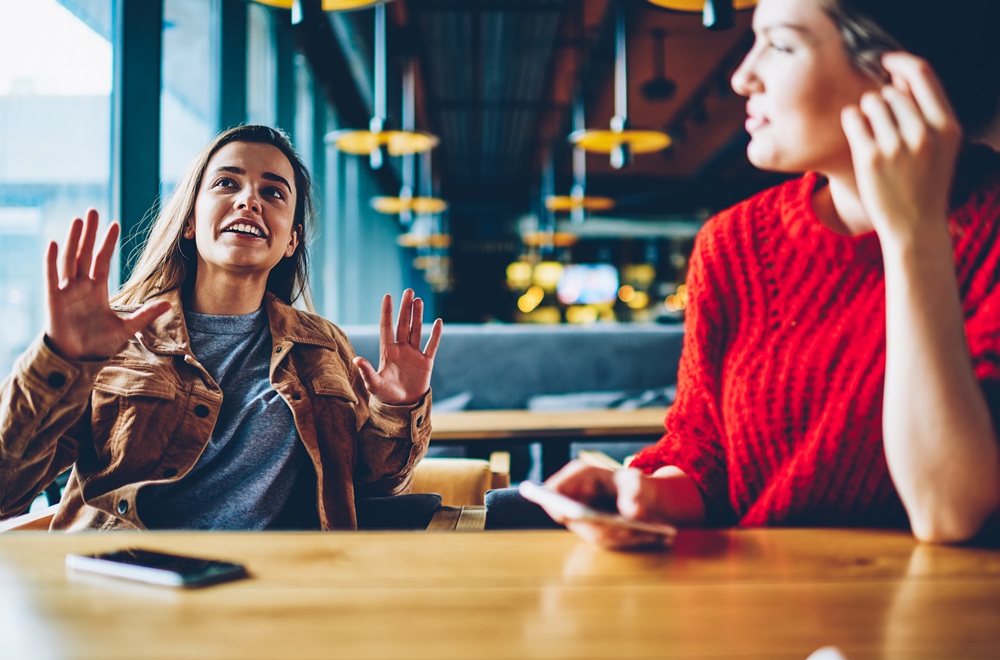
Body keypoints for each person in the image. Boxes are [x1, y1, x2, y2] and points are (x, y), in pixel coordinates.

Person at [536, 0, 1000, 548]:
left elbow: (950, 511)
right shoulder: (734, 243)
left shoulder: (986, 228)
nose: (741, 76)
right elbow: (706, 454)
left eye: (780, 45)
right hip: (762, 608)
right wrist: (648, 494)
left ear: (898, 77)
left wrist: (912, 235)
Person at [0, 124, 442, 531]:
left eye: (273, 192)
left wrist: (397, 411)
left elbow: (369, 490)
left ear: (292, 240)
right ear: (190, 221)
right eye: (227, 183)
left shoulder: (323, 347)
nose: (249, 200)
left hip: (276, 596)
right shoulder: (115, 337)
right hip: (120, 589)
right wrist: (59, 361)